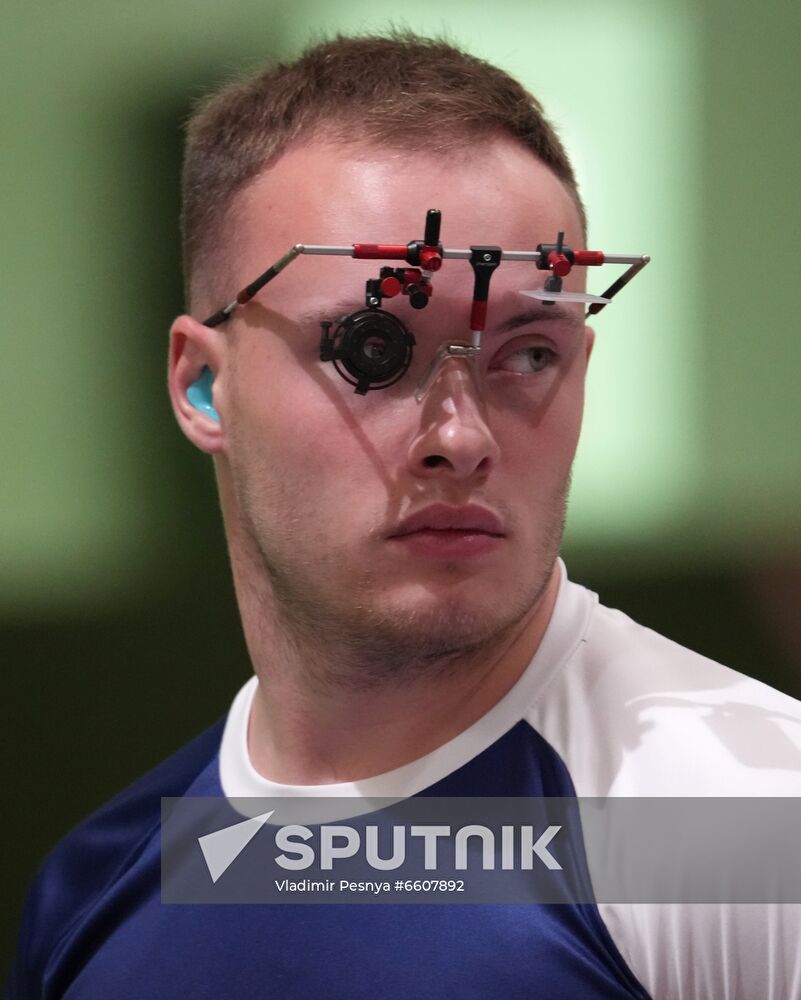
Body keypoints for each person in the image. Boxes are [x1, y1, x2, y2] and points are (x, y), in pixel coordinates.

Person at [6, 32, 801, 1000]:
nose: (461, 437)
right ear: (204, 383)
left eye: (530, 351)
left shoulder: (741, 825)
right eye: (371, 348)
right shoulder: (116, 875)